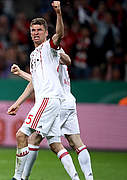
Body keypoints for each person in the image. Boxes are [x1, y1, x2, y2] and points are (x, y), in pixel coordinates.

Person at [7, 1, 80, 180]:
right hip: (50, 101)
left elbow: (60, 34)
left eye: (39, 30)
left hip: (47, 100)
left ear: (46, 33)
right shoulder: (33, 55)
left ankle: (17, 178)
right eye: (33, 30)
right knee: (56, 145)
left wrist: (59, 13)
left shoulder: (49, 48)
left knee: (21, 135)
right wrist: (17, 103)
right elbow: (34, 83)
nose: (35, 33)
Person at [9, 50, 94, 180]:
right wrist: (20, 73)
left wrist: (20, 76)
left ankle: (22, 177)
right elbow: (38, 79)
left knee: (34, 139)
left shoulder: (48, 53)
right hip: (69, 100)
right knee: (76, 142)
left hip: (56, 101)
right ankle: (88, 178)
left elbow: (37, 81)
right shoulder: (58, 52)